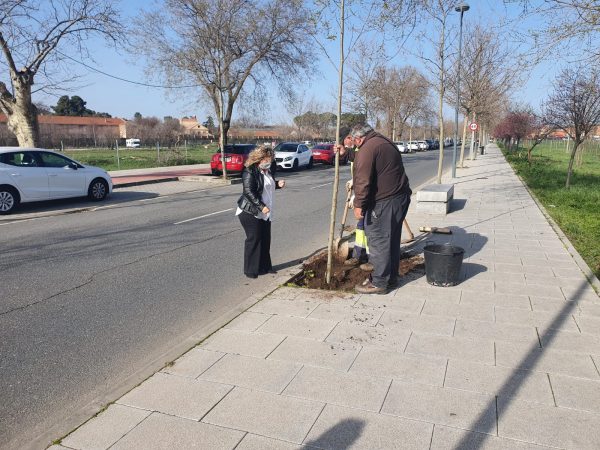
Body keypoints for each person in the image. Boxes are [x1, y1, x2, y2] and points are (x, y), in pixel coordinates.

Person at [350, 123, 412, 294]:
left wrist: (358, 205)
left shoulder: (367, 149)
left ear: (358, 138)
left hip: (384, 202)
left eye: (354, 142)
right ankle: (390, 278)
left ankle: (379, 282)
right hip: (400, 198)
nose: (355, 146)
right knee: (391, 240)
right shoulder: (384, 141)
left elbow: (363, 181)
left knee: (378, 241)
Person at [236, 146, 285, 278]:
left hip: (265, 212)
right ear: (259, 159)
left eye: (271, 159)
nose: (269, 161)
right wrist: (261, 206)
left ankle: (265, 267)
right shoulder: (249, 171)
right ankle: (251, 270)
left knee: (265, 239)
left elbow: (264, 185)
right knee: (254, 239)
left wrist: (277, 184)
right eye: (267, 159)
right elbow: (249, 192)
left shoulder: (267, 171)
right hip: (250, 211)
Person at [336, 128, 370, 270]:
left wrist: (357, 196)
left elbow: (367, 175)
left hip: (367, 194)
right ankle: (360, 255)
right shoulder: (356, 150)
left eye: (348, 139)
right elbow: (359, 170)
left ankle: (370, 257)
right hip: (361, 189)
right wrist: (353, 180)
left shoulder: (363, 150)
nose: (347, 143)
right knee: (361, 226)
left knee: (367, 225)